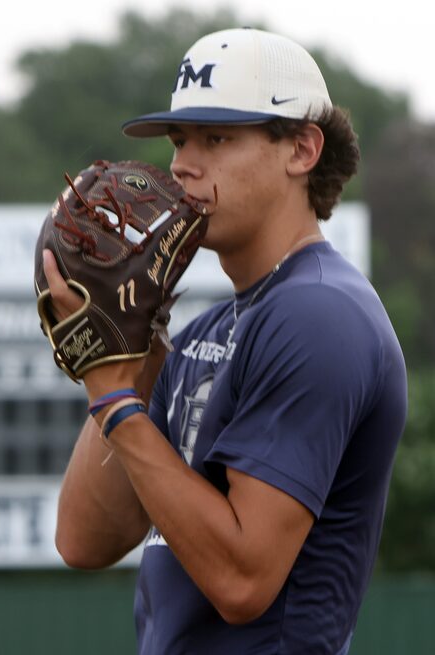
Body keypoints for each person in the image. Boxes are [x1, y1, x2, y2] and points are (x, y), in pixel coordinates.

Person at [42, 27, 407, 654]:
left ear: (301, 149)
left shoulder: (319, 314)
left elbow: (242, 582)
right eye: (181, 139)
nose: (183, 163)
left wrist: (113, 400)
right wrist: (130, 352)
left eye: (217, 138)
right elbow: (84, 540)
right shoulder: (211, 328)